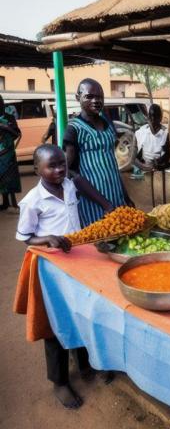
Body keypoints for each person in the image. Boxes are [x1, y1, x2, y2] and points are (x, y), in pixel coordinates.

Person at [16, 144, 114, 409]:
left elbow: (79, 185)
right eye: (52, 166)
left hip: (78, 261)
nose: (60, 169)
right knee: (54, 323)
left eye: (63, 164)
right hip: (51, 268)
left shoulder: (69, 185)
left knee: (81, 312)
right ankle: (59, 381)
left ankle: (84, 364)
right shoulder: (33, 202)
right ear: (37, 169)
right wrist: (47, 239)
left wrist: (106, 207)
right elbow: (25, 237)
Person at [63, 78, 133, 227]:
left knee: (120, 237)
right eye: (89, 96)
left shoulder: (107, 124)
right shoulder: (74, 129)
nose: (96, 100)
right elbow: (71, 172)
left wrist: (126, 197)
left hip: (116, 197)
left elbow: (112, 166)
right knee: (99, 240)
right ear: (78, 98)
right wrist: (104, 204)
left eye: (99, 96)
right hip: (93, 203)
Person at [134, 103, 170, 172]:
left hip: (158, 167)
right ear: (148, 117)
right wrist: (142, 165)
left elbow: (167, 155)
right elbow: (136, 154)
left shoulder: (165, 133)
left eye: (155, 117)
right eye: (151, 117)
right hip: (144, 167)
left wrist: (157, 163)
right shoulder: (142, 131)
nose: (153, 120)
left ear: (160, 118)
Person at [0, 95, 21, 210]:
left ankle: (11, 202)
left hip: (7, 153)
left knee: (9, 179)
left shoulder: (9, 118)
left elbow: (17, 133)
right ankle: (5, 202)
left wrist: (5, 127)